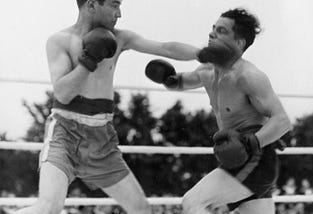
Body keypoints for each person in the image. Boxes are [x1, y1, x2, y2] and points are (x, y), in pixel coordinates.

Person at [14, 1, 199, 214]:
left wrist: (204, 54)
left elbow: (164, 47)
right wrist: (88, 61)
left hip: (101, 138)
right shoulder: (60, 41)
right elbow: (63, 94)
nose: (119, 13)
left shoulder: (120, 38)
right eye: (114, 5)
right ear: (92, 5)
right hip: (64, 134)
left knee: (141, 209)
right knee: (48, 207)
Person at [145, 8, 292, 214]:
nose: (212, 34)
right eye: (213, 29)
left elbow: (283, 121)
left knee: (193, 202)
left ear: (239, 43)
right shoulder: (207, 71)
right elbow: (179, 82)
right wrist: (167, 79)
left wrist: (253, 141)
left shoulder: (248, 76)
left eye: (222, 31)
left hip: (255, 158)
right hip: (238, 156)